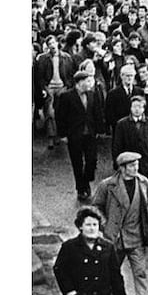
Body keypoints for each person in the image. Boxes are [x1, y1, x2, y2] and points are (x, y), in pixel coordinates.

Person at [93, 152, 148, 295]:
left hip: (137, 237)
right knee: (111, 273)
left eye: (137, 165)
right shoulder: (107, 185)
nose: (136, 168)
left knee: (140, 274)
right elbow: (96, 207)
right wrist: (105, 225)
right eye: (132, 165)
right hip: (115, 238)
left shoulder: (143, 183)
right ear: (122, 168)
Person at [55, 71, 105, 200]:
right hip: (74, 134)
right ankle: (81, 188)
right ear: (79, 82)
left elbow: (97, 113)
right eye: (87, 81)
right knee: (77, 163)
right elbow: (60, 116)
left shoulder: (92, 95)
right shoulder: (66, 96)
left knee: (91, 160)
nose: (89, 84)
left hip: (90, 134)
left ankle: (86, 180)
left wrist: (99, 130)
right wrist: (63, 134)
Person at [34, 36, 76, 150]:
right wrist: (43, 88)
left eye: (53, 42)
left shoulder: (66, 57)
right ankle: (51, 137)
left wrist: (68, 86)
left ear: (57, 43)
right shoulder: (43, 58)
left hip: (62, 87)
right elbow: (40, 76)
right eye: (49, 44)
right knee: (50, 112)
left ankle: (59, 134)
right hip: (49, 87)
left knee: (61, 112)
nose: (52, 45)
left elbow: (70, 73)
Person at [112, 96, 148, 186]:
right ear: (130, 108)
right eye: (134, 106)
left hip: (146, 164)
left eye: (139, 106)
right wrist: (117, 163)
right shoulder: (122, 124)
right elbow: (117, 145)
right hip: (128, 164)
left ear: (144, 108)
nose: (137, 109)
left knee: (147, 187)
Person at [106, 65, 145, 138]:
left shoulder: (140, 91)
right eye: (127, 76)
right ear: (121, 76)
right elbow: (109, 114)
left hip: (137, 130)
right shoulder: (113, 93)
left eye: (131, 76)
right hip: (120, 131)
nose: (129, 78)